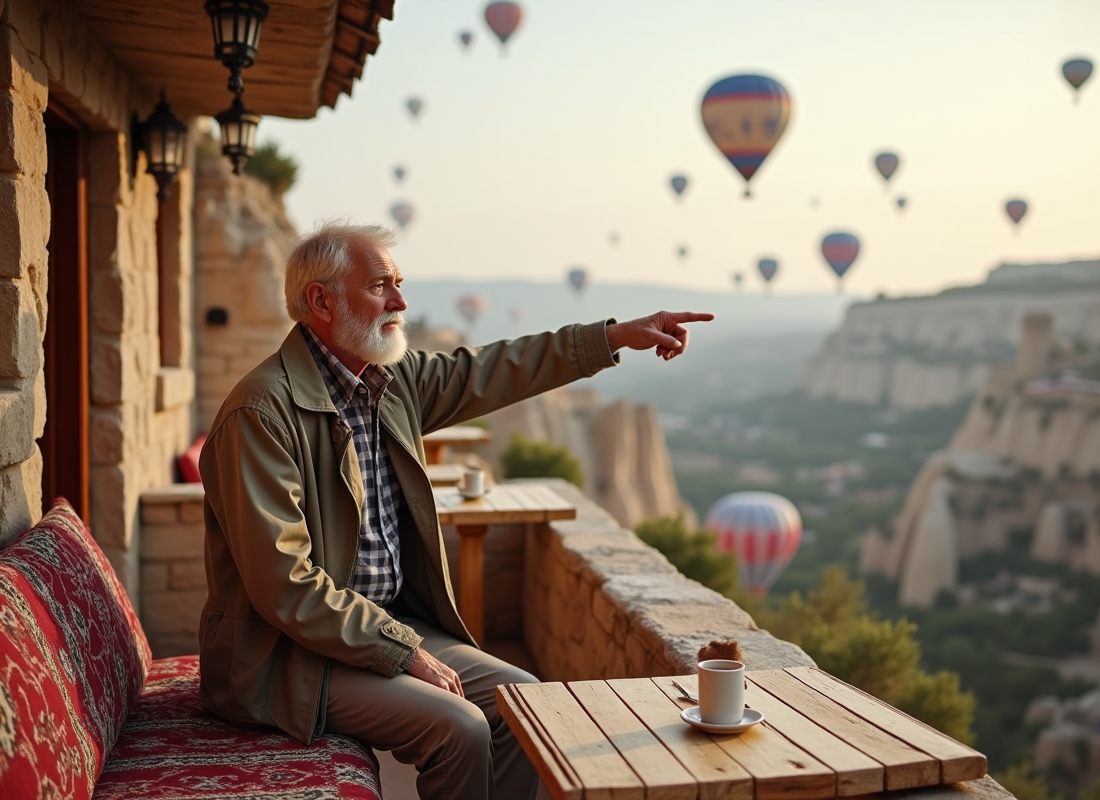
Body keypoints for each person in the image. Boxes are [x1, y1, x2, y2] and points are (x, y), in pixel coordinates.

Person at [197, 221, 713, 800]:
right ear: (321, 300)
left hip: (381, 627)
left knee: (526, 702)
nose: (400, 300)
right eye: (380, 285)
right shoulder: (260, 413)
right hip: (287, 657)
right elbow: (285, 585)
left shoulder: (391, 381)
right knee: (460, 727)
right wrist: (403, 650)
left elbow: (494, 368)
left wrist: (613, 336)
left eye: (398, 282)